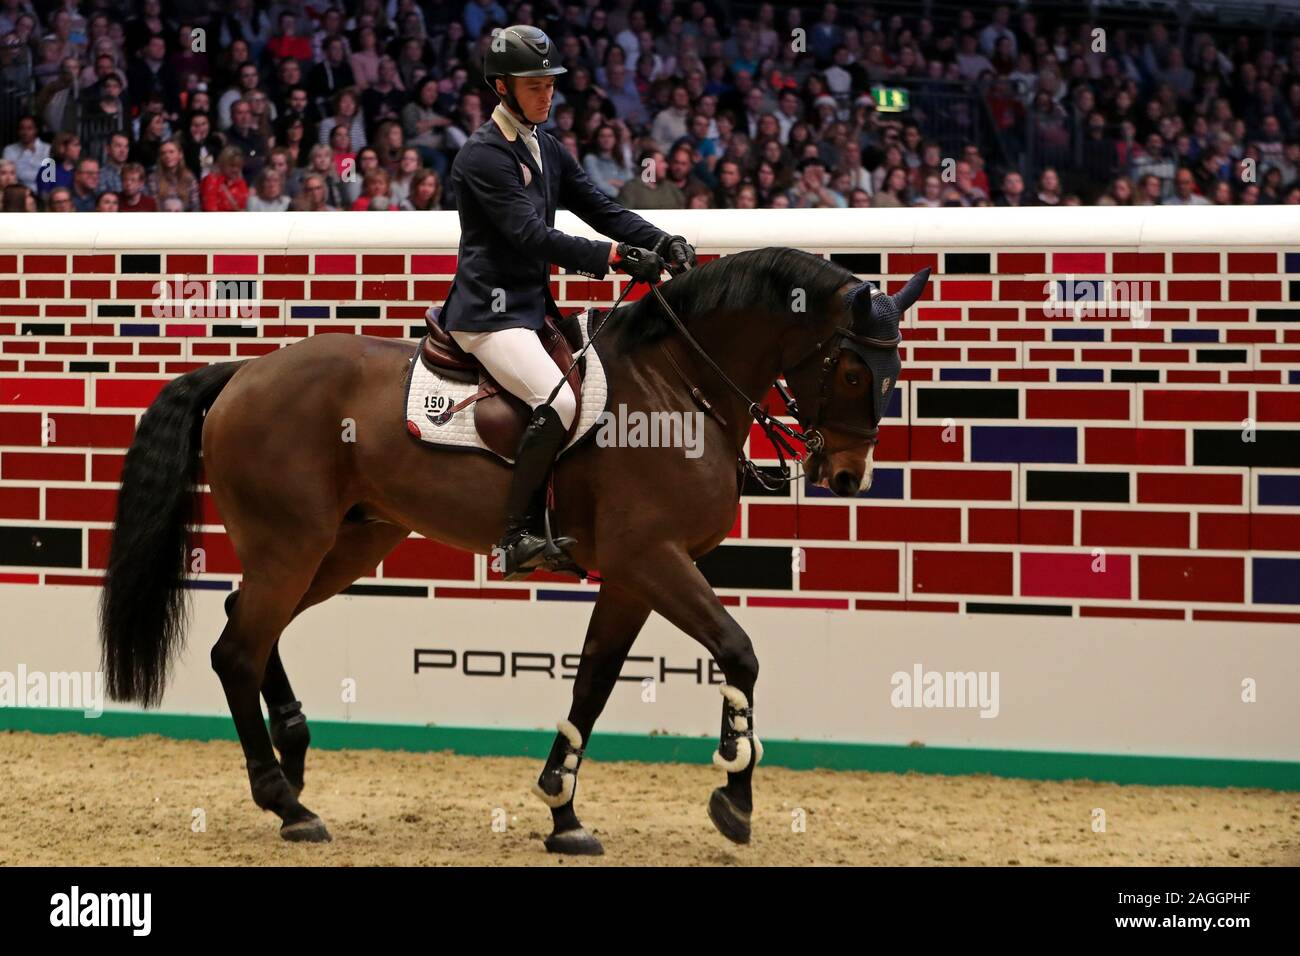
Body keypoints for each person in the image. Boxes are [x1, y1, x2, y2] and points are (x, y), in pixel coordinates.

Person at [439, 25, 696, 579]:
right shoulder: (483, 157)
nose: (547, 94)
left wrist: (658, 239)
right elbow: (532, 236)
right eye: (535, 85)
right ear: (502, 88)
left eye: (550, 84)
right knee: (555, 402)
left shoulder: (546, 147)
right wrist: (615, 259)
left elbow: (602, 206)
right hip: (488, 312)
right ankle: (515, 536)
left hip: (532, 309)